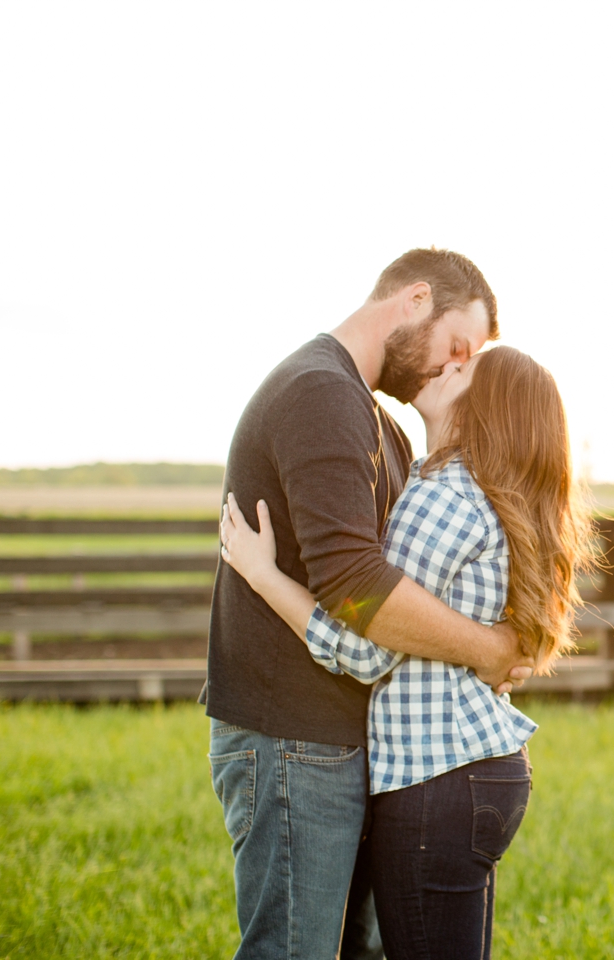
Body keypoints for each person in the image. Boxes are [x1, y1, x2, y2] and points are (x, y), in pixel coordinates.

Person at [204, 248, 535, 960]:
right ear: (415, 299)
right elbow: (360, 588)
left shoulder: (379, 423)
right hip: (290, 735)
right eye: (457, 348)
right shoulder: (320, 393)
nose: (454, 369)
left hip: (344, 741)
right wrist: (488, 649)